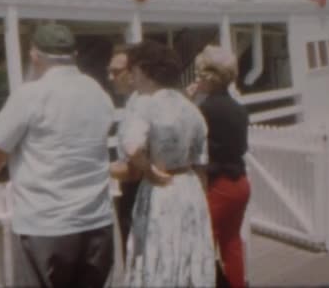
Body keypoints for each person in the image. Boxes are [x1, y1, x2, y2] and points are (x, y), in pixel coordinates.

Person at [0, 24, 116, 288]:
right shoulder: (98, 93)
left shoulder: (30, 95)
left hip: (47, 225)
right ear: (74, 55)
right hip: (97, 221)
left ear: (35, 55)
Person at [115, 40, 216, 287]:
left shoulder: (146, 104)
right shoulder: (190, 107)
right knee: (186, 257)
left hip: (161, 188)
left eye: (134, 69)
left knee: (158, 256)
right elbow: (201, 162)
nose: (132, 76)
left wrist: (148, 170)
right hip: (189, 189)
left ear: (144, 70)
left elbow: (132, 147)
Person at [188, 45, 251, 288]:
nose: (197, 79)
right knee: (231, 243)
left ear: (209, 77)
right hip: (240, 184)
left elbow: (191, 142)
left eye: (199, 75)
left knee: (202, 245)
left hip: (218, 186)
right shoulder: (239, 109)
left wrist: (190, 100)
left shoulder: (204, 109)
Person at [106, 44, 141, 262]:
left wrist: (98, 169)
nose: (111, 77)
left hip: (137, 193)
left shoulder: (140, 107)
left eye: (116, 71)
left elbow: (135, 169)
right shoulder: (132, 103)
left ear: (134, 72)